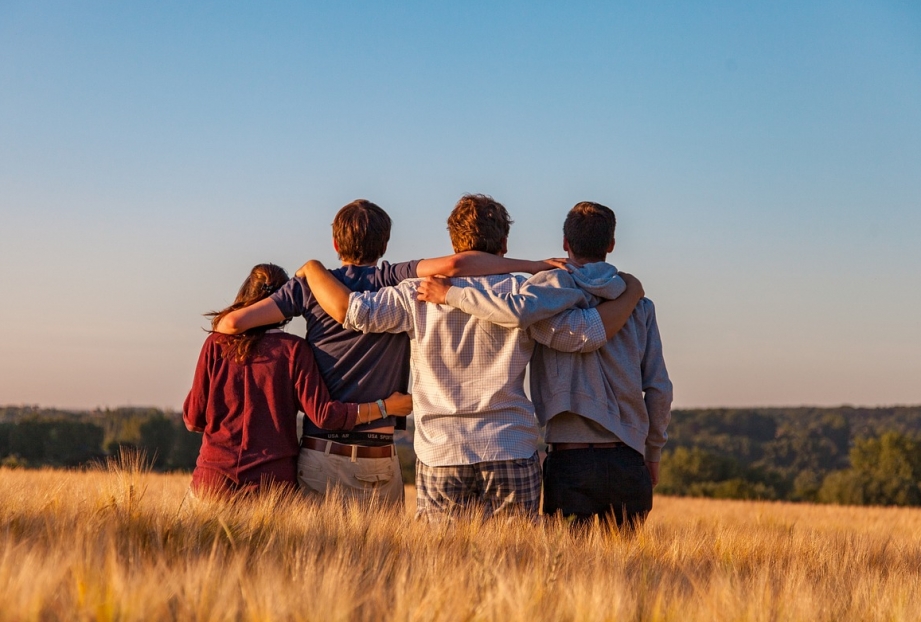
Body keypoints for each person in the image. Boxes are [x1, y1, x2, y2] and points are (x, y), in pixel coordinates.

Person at [301, 194, 645, 520]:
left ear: (453, 243)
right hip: (510, 446)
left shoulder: (415, 293)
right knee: (516, 565)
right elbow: (584, 334)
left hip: (441, 450)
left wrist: (313, 269)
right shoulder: (524, 294)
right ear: (504, 245)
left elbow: (354, 313)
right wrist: (631, 293)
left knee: (442, 566)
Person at [213, 199, 564, 506]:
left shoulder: (309, 286)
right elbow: (458, 266)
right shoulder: (395, 278)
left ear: (335, 242)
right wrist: (532, 266)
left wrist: (308, 273)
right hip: (381, 455)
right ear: (385, 243)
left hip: (322, 452)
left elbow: (230, 325)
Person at [417, 201, 672, 528]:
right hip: (628, 459)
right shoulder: (639, 305)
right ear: (610, 245)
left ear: (565, 243)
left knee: (564, 571)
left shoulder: (543, 296)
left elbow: (516, 312)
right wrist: (652, 452)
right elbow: (660, 389)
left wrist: (451, 294)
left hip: (569, 460)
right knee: (627, 574)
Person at [183, 263, 412, 498]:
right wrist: (386, 407)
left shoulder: (216, 344)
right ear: (285, 303)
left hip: (212, 482)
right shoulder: (294, 350)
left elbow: (193, 419)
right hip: (271, 487)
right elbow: (325, 415)